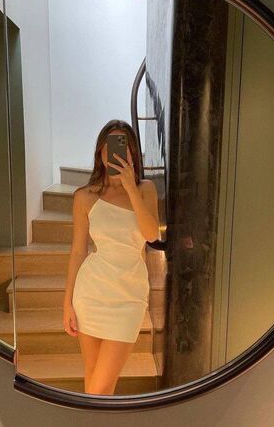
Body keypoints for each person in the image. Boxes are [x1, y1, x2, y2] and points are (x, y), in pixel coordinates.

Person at [63, 119, 160, 395]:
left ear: (132, 153)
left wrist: (130, 187)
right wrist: (67, 302)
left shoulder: (145, 189)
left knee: (100, 388)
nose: (116, 153)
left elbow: (151, 234)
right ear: (100, 151)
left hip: (129, 297)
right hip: (91, 293)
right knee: (94, 379)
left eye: (123, 146)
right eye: (110, 146)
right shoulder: (84, 197)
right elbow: (78, 251)